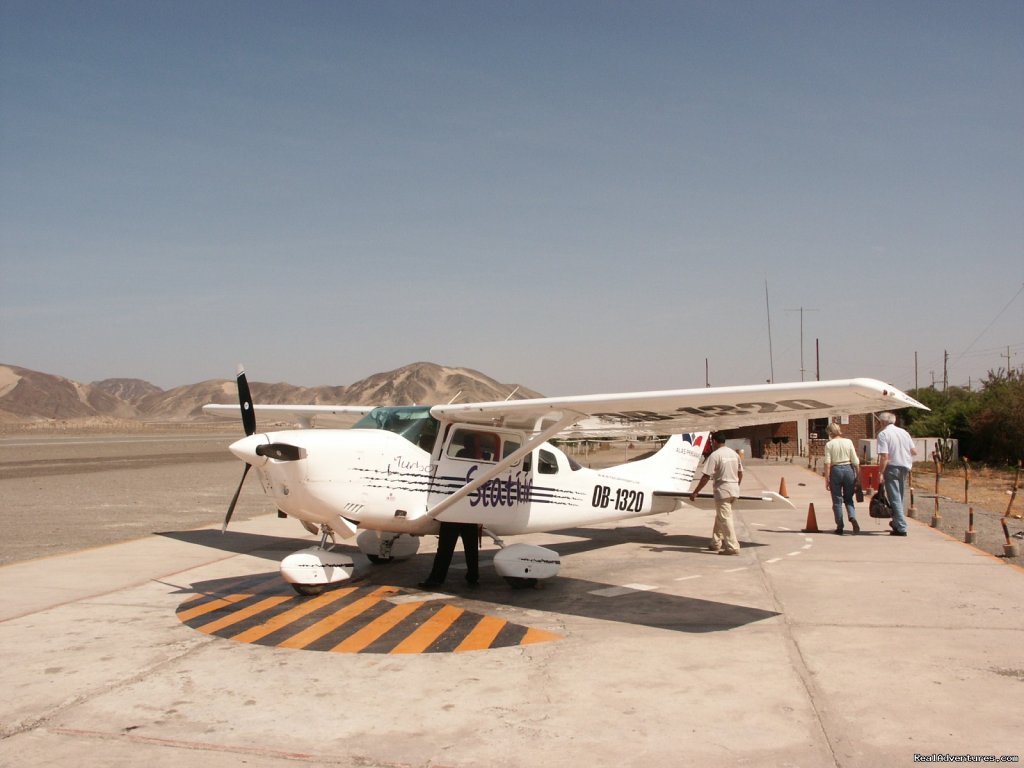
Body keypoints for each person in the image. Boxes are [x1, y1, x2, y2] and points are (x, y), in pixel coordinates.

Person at [689, 432, 743, 555]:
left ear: (714, 442)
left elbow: (706, 476)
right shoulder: (734, 454)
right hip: (734, 490)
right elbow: (740, 472)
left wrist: (695, 492)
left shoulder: (715, 455)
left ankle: (732, 547)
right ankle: (715, 543)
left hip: (723, 491)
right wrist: (736, 484)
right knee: (721, 516)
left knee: (725, 518)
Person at [876, 411, 917, 536]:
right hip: (905, 466)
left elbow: (884, 456)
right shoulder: (904, 432)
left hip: (892, 467)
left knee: (894, 498)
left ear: (883, 422)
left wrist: (880, 472)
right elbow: (914, 451)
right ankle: (896, 522)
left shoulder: (883, 434)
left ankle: (901, 526)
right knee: (899, 496)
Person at [823, 422, 861, 535]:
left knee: (837, 500)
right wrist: (858, 475)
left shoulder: (829, 445)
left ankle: (840, 526)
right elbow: (855, 460)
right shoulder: (848, 441)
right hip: (849, 468)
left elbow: (827, 463)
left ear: (830, 432)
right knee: (848, 498)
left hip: (836, 470)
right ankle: (852, 517)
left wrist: (827, 479)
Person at [419, 521, 480, 588]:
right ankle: (473, 577)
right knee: (471, 549)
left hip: (451, 518)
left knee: (445, 549)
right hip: (470, 518)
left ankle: (436, 579)